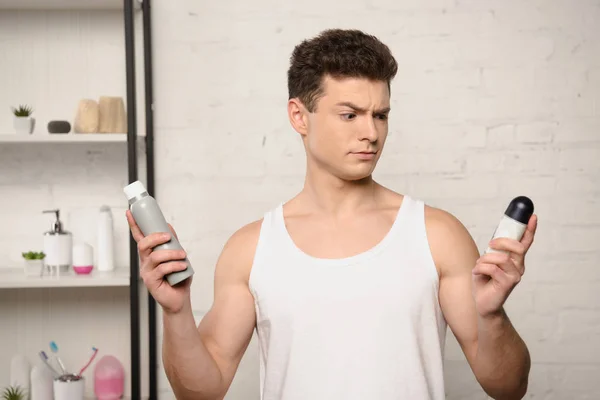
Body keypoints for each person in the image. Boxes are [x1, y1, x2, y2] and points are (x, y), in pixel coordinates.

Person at [126, 28, 537, 400]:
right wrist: (176, 313)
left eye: (380, 115)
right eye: (349, 114)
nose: (371, 133)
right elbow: (202, 390)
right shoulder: (252, 248)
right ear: (298, 116)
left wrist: (492, 316)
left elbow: (507, 388)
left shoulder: (437, 235)